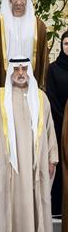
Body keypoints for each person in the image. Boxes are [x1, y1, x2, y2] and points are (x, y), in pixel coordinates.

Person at [0, 58, 57, 232]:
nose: (21, 72)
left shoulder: (40, 98)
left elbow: (50, 131)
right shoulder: (0, 96)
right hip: (6, 163)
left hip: (34, 161)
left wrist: (52, 158)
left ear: (30, 71)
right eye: (17, 69)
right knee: (4, 199)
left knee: (35, 200)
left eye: (24, 68)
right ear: (10, 72)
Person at [0, 0, 49, 91]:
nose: (18, 2)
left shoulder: (38, 26)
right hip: (4, 84)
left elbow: (43, 59)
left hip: (31, 86)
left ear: (27, 0)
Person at [45, 29, 68, 215]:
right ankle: (59, 207)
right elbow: (51, 97)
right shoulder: (53, 69)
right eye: (66, 43)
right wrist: (63, 119)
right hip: (60, 124)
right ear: (62, 45)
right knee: (60, 164)